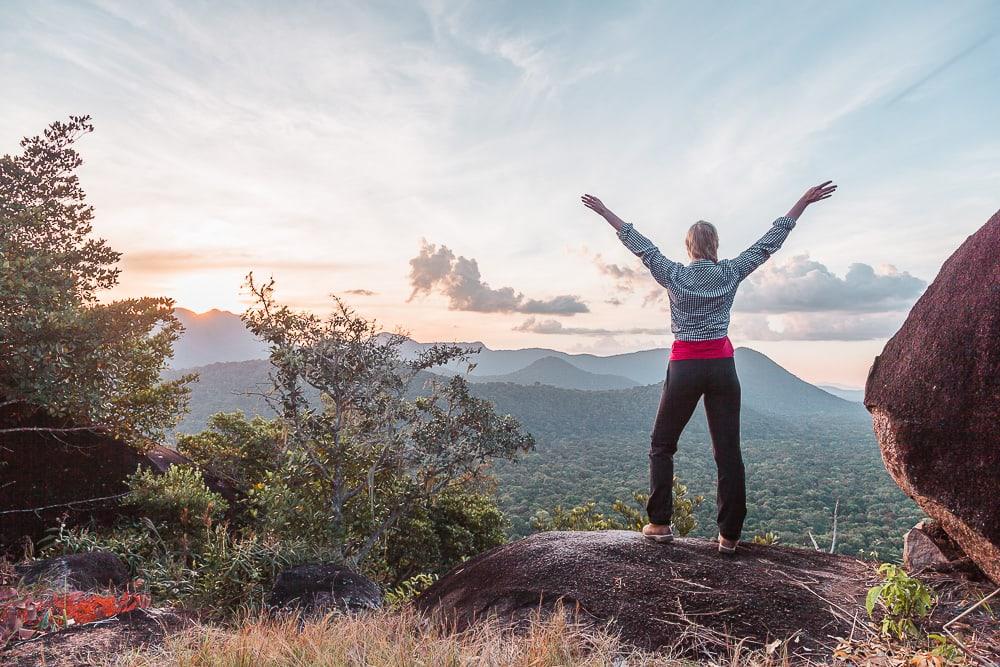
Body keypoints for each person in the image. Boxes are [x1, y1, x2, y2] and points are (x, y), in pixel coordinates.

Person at [581, 182, 837, 554]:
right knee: (728, 452)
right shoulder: (731, 272)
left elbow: (639, 243)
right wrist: (802, 203)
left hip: (684, 366)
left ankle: (659, 523)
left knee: (662, 445)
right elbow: (769, 243)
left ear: (689, 247)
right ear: (715, 246)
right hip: (722, 367)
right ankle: (729, 536)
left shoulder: (674, 274)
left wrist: (605, 212)